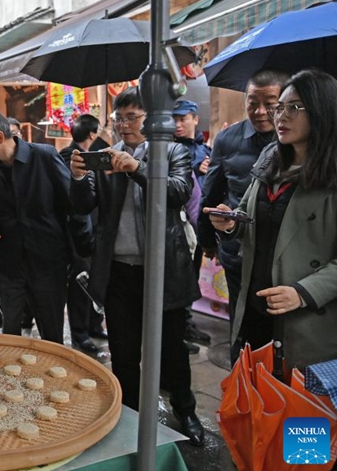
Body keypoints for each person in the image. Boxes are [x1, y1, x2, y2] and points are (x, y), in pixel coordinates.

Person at [69, 87, 204, 446]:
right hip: (118, 272)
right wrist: (80, 176)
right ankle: (127, 413)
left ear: (153, 119)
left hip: (163, 272)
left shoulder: (173, 151)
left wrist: (138, 168)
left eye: (133, 117)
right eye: (119, 118)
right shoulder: (106, 157)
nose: (124, 125)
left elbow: (177, 192)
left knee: (172, 349)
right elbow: (83, 206)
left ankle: (186, 410)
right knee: (124, 352)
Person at [204, 69, 337, 372]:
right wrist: (231, 223)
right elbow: (247, 214)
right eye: (280, 107)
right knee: (256, 400)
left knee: (300, 414)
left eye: (292, 107)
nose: (279, 115)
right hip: (256, 305)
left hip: (307, 317)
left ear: (323, 111)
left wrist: (303, 293)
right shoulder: (271, 159)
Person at [197, 69, 287, 364]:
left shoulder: (298, 141)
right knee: (242, 318)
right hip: (239, 250)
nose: (261, 112)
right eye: (253, 102)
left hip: (285, 256)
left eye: (270, 103)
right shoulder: (228, 139)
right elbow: (211, 193)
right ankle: (242, 379)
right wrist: (209, 241)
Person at [0, 111, 73, 344]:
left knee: (51, 334)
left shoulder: (44, 157)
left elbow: (71, 205)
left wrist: (76, 255)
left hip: (48, 263)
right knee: (10, 332)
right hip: (10, 266)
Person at [58, 114, 104, 353]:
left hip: (93, 230)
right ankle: (80, 334)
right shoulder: (70, 158)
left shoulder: (94, 158)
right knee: (80, 284)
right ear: (93, 134)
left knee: (94, 280)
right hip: (77, 234)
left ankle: (94, 325)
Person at [172, 100, 213, 352]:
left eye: (182, 119)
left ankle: (186, 323)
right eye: (174, 119)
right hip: (180, 226)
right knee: (179, 279)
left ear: (195, 119)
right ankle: (179, 330)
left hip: (200, 223)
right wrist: (196, 171)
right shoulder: (172, 149)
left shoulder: (206, 149)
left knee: (192, 276)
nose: (177, 124)